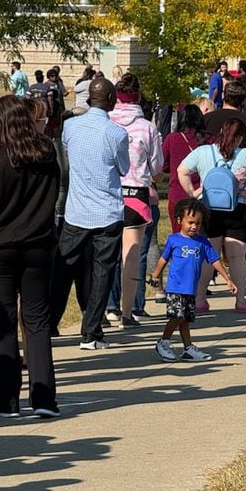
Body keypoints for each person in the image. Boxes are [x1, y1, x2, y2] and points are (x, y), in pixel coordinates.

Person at [0, 95, 60, 417]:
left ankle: (6, 399)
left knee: (4, 320)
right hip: (38, 246)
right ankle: (44, 398)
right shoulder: (47, 156)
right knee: (36, 322)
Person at [55, 77, 130, 349]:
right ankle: (91, 331)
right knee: (102, 272)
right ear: (111, 99)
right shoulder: (116, 133)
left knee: (63, 266)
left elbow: (69, 153)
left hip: (77, 210)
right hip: (107, 212)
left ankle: (50, 321)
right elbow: (123, 168)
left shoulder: (71, 126)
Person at [177, 118, 246, 313]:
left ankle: (200, 300)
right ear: (240, 137)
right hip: (239, 209)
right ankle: (240, 301)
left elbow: (182, 170)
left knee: (209, 257)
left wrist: (193, 193)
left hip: (209, 209)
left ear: (221, 131)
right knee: (236, 257)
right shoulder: (245, 155)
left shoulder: (203, 151)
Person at [149, 198, 236, 362]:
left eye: (198, 223)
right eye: (190, 222)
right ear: (180, 220)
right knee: (177, 316)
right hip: (176, 287)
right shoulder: (173, 240)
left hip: (191, 288)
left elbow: (215, 260)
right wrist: (155, 275)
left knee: (185, 319)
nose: (194, 227)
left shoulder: (203, 242)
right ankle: (163, 342)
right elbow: (163, 259)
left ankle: (188, 349)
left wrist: (227, 279)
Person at [107, 73, 163, 328]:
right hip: (135, 192)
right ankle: (127, 312)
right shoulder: (148, 127)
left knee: (106, 254)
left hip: (108, 191)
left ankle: (107, 307)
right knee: (131, 253)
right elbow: (157, 166)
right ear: (138, 97)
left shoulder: (106, 122)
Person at [164, 104, 206, 233]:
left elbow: (164, 165)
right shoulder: (208, 139)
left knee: (179, 237)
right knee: (202, 238)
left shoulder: (172, 138)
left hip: (177, 194)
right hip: (202, 193)